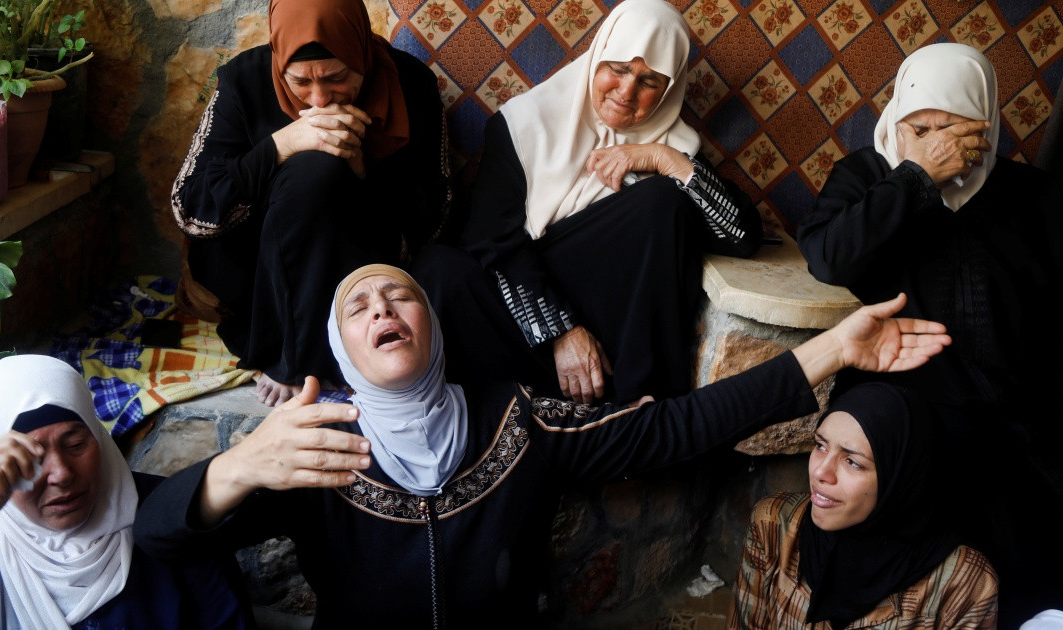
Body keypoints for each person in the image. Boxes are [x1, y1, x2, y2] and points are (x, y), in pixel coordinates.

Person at [133, 263, 949, 627]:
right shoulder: (311, 444)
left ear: (432, 326)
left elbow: (677, 427)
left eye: (402, 296)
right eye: (360, 305)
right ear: (343, 350)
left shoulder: (515, 422)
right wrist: (238, 467)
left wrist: (832, 351)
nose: (383, 306)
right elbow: (157, 533)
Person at [796, 43, 1063, 624]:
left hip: (1006, 399)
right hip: (899, 392)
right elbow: (830, 259)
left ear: (988, 125)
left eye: (956, 130)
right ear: (896, 120)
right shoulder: (866, 175)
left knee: (1026, 525)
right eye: (920, 128)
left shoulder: (1033, 197)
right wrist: (915, 177)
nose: (939, 142)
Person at [430, 0, 761, 405]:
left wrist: (663, 159)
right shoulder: (524, 125)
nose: (626, 92)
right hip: (526, 320)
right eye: (618, 70)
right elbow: (490, 240)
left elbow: (742, 237)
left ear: (669, 88)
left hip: (614, 343)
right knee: (438, 269)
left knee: (660, 202)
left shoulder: (674, 144)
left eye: (649, 81)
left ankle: (640, 415)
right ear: (597, 58)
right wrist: (561, 331)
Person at [171, 0, 450, 407]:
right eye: (300, 82)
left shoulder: (410, 83)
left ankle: (318, 349)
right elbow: (190, 209)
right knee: (310, 171)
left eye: (337, 78)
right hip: (256, 274)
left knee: (323, 174)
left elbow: (438, 216)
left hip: (364, 256)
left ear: (360, 56)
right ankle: (281, 350)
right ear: (279, 63)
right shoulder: (245, 80)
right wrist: (279, 146)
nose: (318, 100)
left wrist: (360, 170)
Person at [0, 355, 252, 629]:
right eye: (28, 457)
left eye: (75, 443)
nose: (62, 474)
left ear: (98, 436)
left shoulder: (170, 519)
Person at [728, 382, 998, 629]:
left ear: (899, 480)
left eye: (853, 462)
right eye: (821, 446)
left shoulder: (963, 582)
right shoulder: (774, 524)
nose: (821, 472)